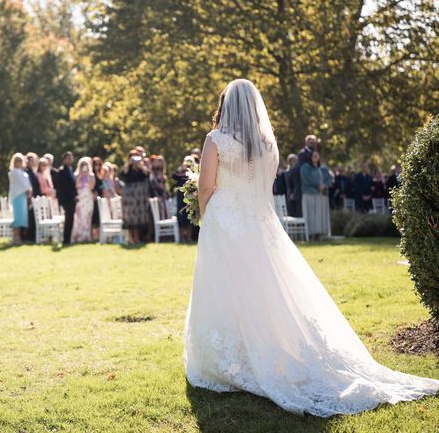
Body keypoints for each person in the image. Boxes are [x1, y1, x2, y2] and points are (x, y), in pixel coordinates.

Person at [184, 78, 439, 417]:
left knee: (225, 288)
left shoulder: (215, 140)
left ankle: (230, 359)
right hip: (260, 224)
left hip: (224, 221)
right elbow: (263, 189)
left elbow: (205, 185)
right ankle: (271, 348)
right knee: (265, 290)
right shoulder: (267, 145)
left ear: (226, 105)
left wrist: (206, 216)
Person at [120, 150, 151, 244]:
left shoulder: (141, 168)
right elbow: (123, 176)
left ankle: (137, 238)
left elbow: (147, 175)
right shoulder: (127, 168)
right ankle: (131, 238)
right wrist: (128, 165)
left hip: (139, 197)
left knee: (138, 218)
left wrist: (140, 166)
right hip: (129, 197)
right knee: (130, 217)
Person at [300, 150, 331, 240]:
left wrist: (324, 185)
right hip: (309, 194)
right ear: (310, 157)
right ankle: (310, 234)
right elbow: (306, 179)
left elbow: (329, 178)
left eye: (317, 155)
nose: (315, 156)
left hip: (321, 195)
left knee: (319, 216)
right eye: (313, 155)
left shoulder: (323, 168)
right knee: (311, 215)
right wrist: (317, 185)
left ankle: (318, 234)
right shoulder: (305, 167)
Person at [8, 153, 32, 245]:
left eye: (20, 160)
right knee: (17, 218)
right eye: (17, 160)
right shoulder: (13, 172)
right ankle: (16, 237)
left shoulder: (23, 172)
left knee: (21, 218)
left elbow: (27, 184)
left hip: (23, 197)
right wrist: (26, 189)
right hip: (17, 196)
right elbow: (19, 184)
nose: (19, 162)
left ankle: (18, 237)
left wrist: (29, 190)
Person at [172, 156, 195, 243]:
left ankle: (189, 237)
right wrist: (183, 169)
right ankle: (181, 237)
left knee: (190, 218)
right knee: (181, 218)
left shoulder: (194, 173)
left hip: (190, 198)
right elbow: (174, 176)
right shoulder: (180, 172)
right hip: (181, 198)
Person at [56, 151, 78, 245]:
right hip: (66, 199)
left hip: (72, 199)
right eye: (67, 158)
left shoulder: (71, 169)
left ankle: (68, 238)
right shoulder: (61, 171)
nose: (69, 160)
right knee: (68, 219)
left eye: (71, 158)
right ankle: (66, 240)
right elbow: (65, 186)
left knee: (71, 219)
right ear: (64, 159)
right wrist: (73, 196)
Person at [72, 157, 96, 242]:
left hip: (88, 197)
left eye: (85, 164)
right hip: (80, 197)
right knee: (79, 216)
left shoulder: (91, 175)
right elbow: (76, 186)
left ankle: (86, 236)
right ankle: (78, 235)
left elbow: (92, 186)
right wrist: (80, 175)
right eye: (82, 165)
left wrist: (87, 175)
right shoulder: (76, 175)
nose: (84, 166)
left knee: (87, 216)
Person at [91, 156, 104, 241]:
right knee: (94, 217)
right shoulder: (92, 175)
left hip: (100, 197)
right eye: (95, 164)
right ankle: (94, 235)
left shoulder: (101, 175)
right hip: (94, 198)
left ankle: (98, 235)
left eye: (99, 164)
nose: (97, 166)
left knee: (99, 216)